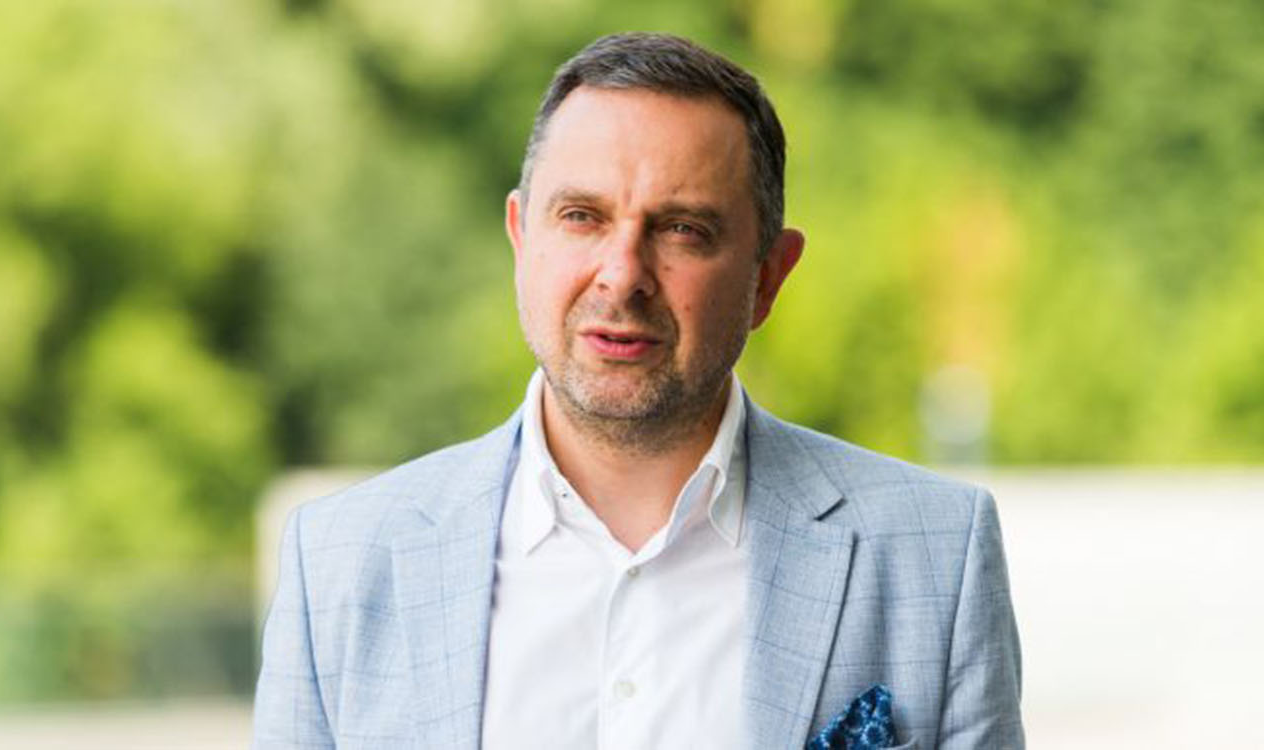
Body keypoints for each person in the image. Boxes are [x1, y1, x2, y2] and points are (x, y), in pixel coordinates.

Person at [253, 32, 1023, 750]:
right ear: (522, 238)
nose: (622, 275)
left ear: (768, 276)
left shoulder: (935, 556)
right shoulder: (341, 563)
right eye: (581, 216)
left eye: (683, 229)